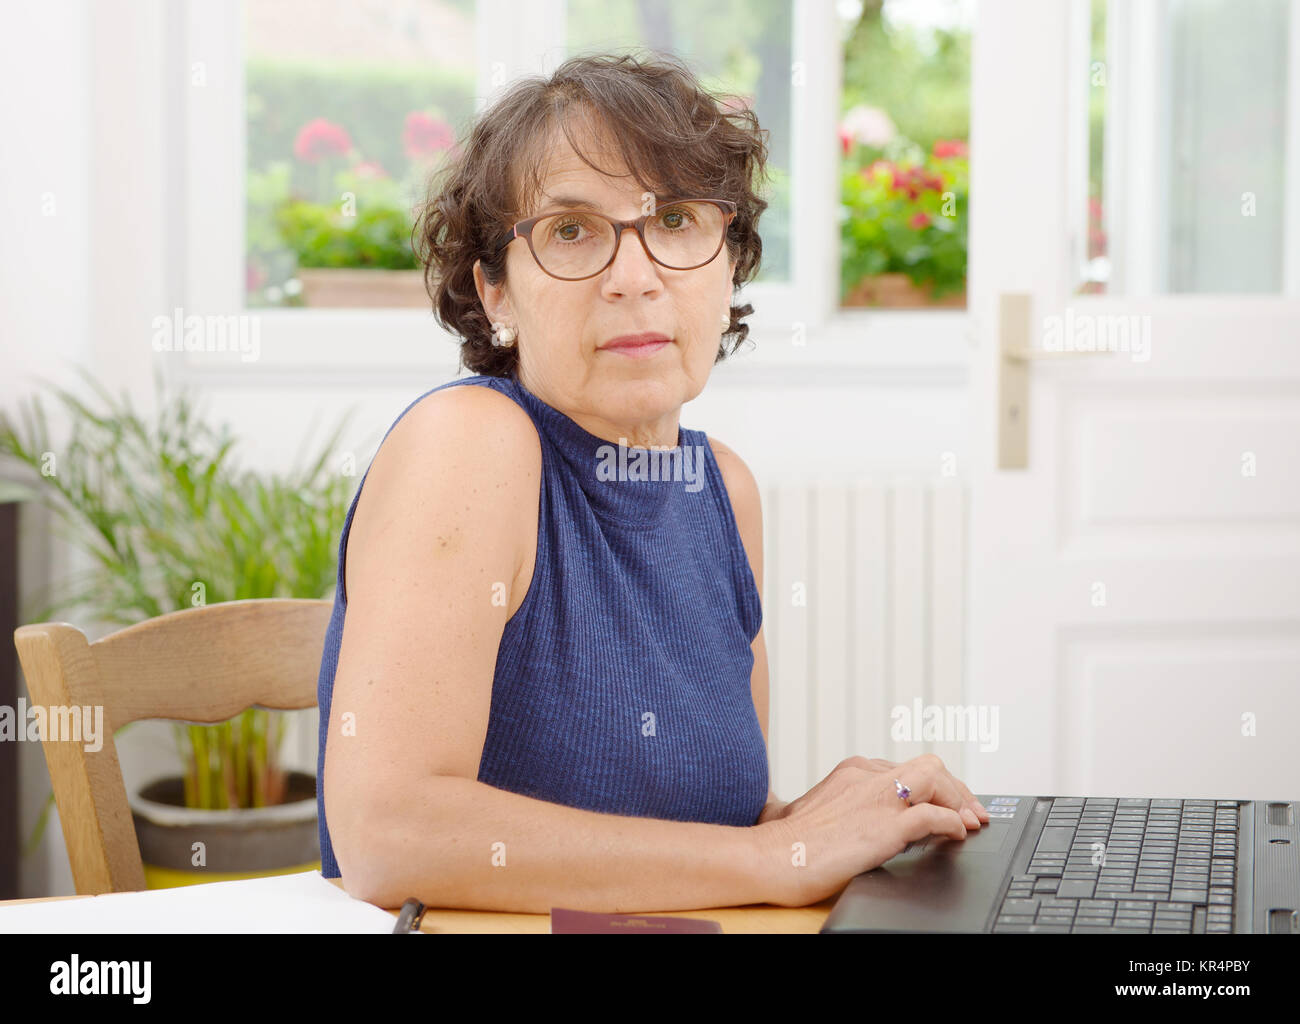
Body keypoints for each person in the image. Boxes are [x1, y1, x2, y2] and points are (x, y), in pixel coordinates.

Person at [316, 51, 987, 914]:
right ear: (496, 295)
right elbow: (388, 834)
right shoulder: (473, 442)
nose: (635, 277)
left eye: (673, 221)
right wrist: (781, 851)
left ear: (728, 264)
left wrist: (827, 825)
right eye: (570, 231)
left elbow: (706, 841)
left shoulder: (725, 492)